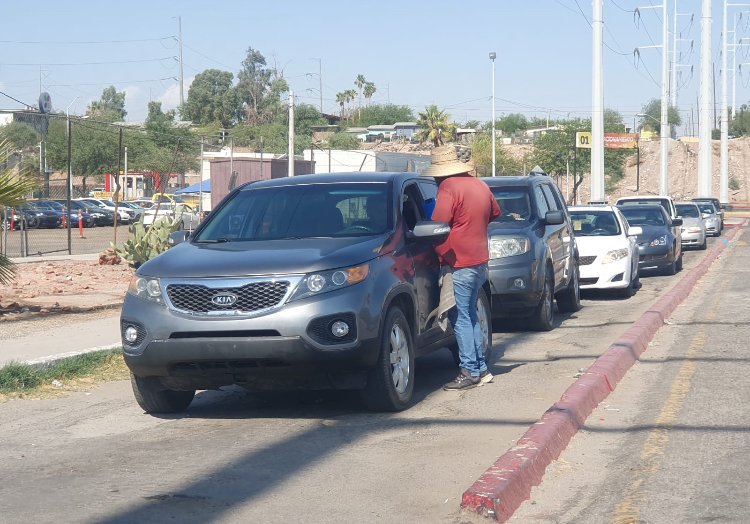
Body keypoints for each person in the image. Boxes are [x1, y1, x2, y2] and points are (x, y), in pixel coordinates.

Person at [422, 145, 501, 391]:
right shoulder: (480, 185)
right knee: (470, 315)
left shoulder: (449, 187)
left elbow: (438, 222)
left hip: (459, 261)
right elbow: (495, 213)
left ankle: (469, 370)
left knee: (461, 317)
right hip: (480, 260)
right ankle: (480, 369)